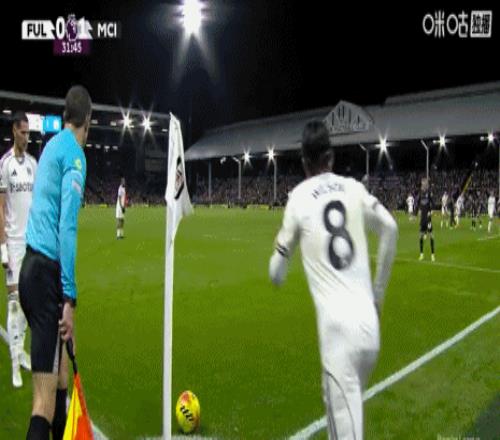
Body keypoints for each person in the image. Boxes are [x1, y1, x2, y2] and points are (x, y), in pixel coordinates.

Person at [269, 120, 398, 440]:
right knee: (336, 419)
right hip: (369, 330)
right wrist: (378, 295)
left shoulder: (299, 197)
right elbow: (390, 228)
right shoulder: (353, 187)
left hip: (339, 339)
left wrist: (282, 249)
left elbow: (276, 275)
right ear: (331, 157)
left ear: (303, 162)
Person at [19, 85, 91, 440]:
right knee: (44, 403)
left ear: (65, 116)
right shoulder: (75, 156)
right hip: (47, 276)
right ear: (87, 120)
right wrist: (69, 299)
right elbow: (67, 227)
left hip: (29, 270)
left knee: (60, 373)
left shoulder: (50, 146)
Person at [0, 111, 37, 387]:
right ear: (14, 130)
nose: (26, 137)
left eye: (28, 133)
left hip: (31, 243)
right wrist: (2, 245)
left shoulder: (33, 164)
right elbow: (1, 208)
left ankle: (20, 351)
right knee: (13, 304)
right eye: (23, 132)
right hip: (12, 244)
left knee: (27, 303)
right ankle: (15, 365)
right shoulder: (5, 164)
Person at [417, 178, 435, 261]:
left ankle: (432, 254)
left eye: (425, 184)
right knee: (420, 236)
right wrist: (417, 212)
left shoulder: (429, 193)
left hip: (428, 218)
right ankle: (421, 254)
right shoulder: (420, 194)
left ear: (427, 185)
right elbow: (417, 204)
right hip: (422, 218)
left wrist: (431, 211)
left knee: (431, 235)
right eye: (423, 184)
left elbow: (433, 203)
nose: (424, 185)